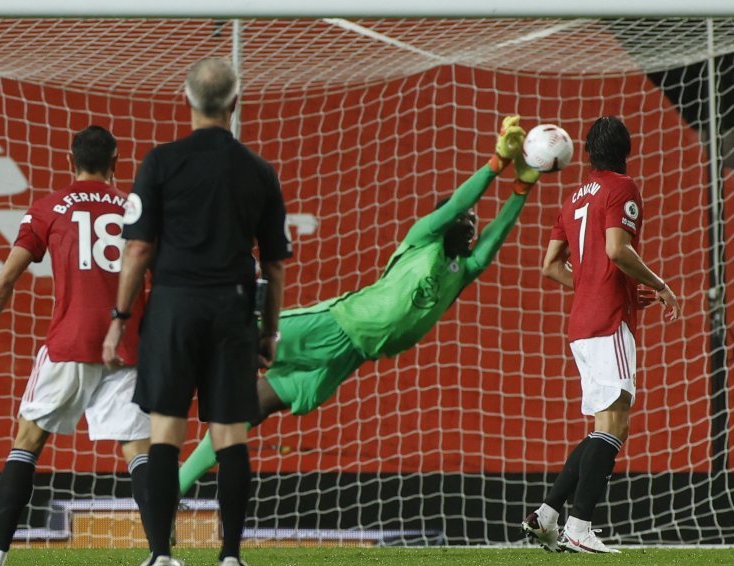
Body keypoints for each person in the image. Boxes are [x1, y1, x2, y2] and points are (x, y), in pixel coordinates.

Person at [177, 115, 540, 496]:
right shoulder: (423, 239)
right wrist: (496, 164)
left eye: (473, 221)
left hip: (348, 357)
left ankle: (173, 489)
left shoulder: (460, 270)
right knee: (243, 335)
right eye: (465, 218)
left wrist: (521, 189)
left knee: (247, 409)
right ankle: (177, 347)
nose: (471, 224)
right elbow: (457, 206)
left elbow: (490, 244)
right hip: (336, 324)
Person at [0, 126, 191, 566]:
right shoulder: (138, 208)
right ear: (115, 162)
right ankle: (160, 555)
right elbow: (167, 279)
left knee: (28, 441)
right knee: (139, 450)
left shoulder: (48, 209)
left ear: (70, 161)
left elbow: (4, 282)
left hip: (69, 344)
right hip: (127, 347)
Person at [102, 57, 291, 566]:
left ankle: (160, 554)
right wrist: (270, 331)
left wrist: (119, 318)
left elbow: (138, 248)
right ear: (234, 103)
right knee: (230, 434)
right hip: (232, 310)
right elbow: (274, 264)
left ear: (186, 99)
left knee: (165, 430)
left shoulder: (160, 162)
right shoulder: (258, 171)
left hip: (174, 307)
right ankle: (230, 555)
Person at [522, 116, 681, 554]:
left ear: (588, 152)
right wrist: (661, 285)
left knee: (603, 426)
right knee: (615, 423)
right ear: (626, 150)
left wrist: (600, 285)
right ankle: (579, 527)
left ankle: (546, 515)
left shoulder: (573, 197)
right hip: (609, 321)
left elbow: (550, 266)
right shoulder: (621, 188)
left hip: (581, 324)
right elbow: (616, 248)